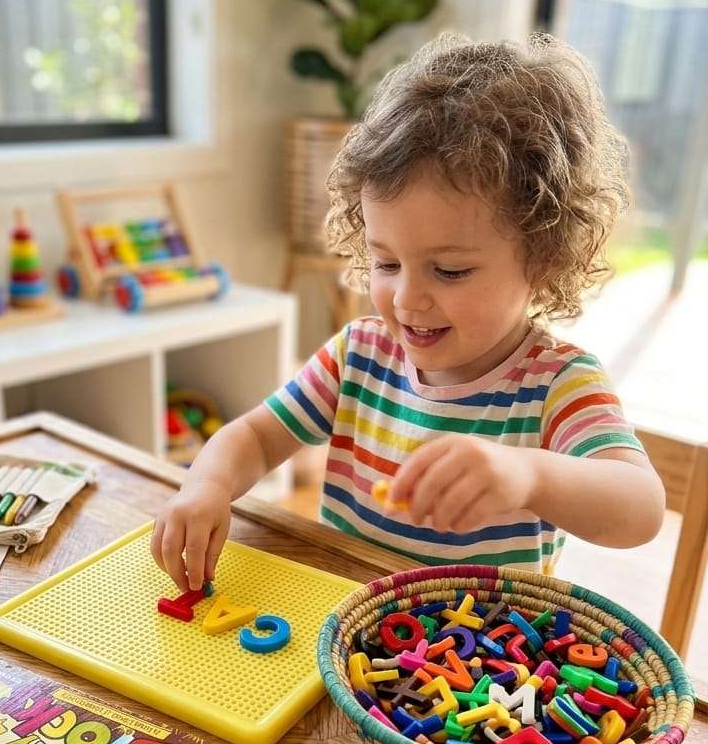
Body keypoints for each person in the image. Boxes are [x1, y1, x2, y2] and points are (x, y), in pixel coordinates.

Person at [151, 33, 665, 594]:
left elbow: (640, 508)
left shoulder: (557, 385)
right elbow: (256, 437)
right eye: (386, 262)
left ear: (543, 258)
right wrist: (206, 486)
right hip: (348, 628)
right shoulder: (359, 355)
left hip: (477, 665)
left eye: (449, 271)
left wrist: (528, 475)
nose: (406, 299)